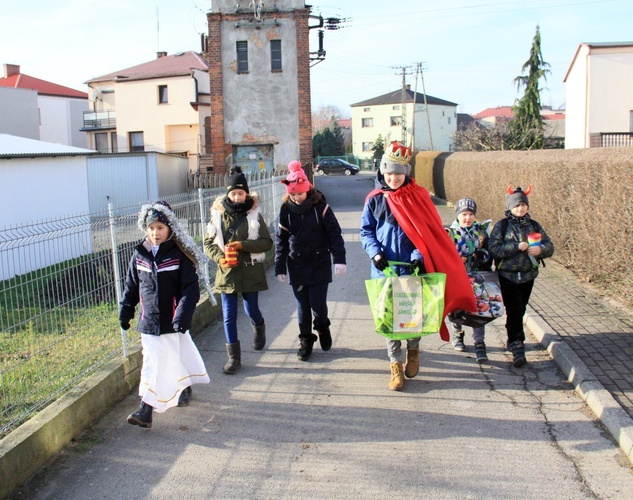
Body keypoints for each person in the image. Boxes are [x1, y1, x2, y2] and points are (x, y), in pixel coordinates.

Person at [361, 141, 477, 391]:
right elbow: (366, 231)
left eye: (399, 173)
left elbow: (428, 233)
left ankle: (413, 351)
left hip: (412, 269)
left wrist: (418, 254)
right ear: (382, 171)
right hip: (384, 270)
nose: (393, 178)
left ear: (407, 174)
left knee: (411, 317)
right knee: (389, 319)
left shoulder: (419, 197)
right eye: (389, 173)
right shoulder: (374, 200)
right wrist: (375, 253)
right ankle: (395, 365)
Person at [119, 201, 213, 428]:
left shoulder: (179, 256)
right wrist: (126, 309)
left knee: (160, 364)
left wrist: (182, 315)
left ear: (170, 228)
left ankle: (146, 409)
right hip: (148, 321)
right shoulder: (139, 254)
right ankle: (178, 389)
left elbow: (189, 290)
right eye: (151, 228)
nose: (155, 233)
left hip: (170, 321)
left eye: (160, 228)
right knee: (154, 361)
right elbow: (132, 286)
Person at [204, 166, 274, 374]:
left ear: (246, 194)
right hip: (227, 272)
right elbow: (208, 243)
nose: (237, 197)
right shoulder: (217, 216)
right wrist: (220, 258)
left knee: (251, 309)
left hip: (250, 270)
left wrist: (243, 245)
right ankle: (234, 358)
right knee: (228, 315)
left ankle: (259, 327)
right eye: (233, 193)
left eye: (240, 193)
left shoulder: (254, 215)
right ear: (228, 194)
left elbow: (266, 242)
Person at [275, 160, 347, 361]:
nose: (296, 197)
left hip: (319, 263)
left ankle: (323, 326)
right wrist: (280, 266)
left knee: (317, 304)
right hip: (297, 264)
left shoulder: (321, 208)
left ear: (307, 189)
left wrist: (339, 259)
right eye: (293, 194)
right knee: (302, 306)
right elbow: (281, 240)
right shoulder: (286, 211)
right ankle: (306, 340)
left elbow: (335, 234)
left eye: (299, 193)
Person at [488, 185, 554, 368]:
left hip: (528, 275)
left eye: (523, 205)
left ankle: (513, 336)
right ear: (510, 207)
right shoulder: (502, 226)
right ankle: (516, 343)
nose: (520, 208)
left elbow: (550, 246)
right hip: (507, 275)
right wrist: (516, 247)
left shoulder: (534, 225)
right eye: (517, 205)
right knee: (515, 308)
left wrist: (540, 250)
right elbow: (494, 249)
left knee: (521, 308)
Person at [446, 198, 492, 363]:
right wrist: (456, 260)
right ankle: (458, 335)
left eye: (471, 214)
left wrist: (481, 255)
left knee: (478, 308)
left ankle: (479, 341)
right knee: (456, 308)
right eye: (464, 214)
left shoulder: (480, 232)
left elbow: (489, 252)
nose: (467, 218)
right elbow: (442, 255)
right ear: (458, 215)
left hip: (477, 277)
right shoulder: (450, 233)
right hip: (456, 278)